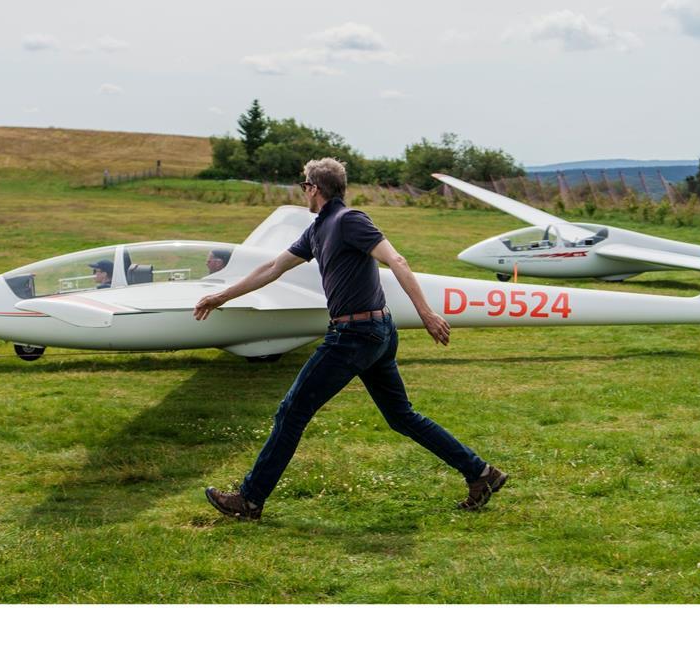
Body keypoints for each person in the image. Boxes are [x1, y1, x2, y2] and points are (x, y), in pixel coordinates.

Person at [194, 157, 506, 520]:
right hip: (372, 333)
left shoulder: (349, 221)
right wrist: (221, 296)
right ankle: (481, 474)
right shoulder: (317, 230)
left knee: (291, 413)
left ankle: (249, 500)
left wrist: (426, 313)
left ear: (314, 188)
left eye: (304, 186)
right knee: (401, 416)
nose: (303, 192)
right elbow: (272, 268)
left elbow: (397, 260)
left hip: (355, 335)